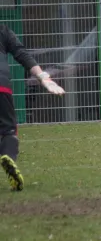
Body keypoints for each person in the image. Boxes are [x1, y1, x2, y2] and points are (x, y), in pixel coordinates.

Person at [0, 25, 65, 191]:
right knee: (8, 131)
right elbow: (22, 54)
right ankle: (8, 157)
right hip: (2, 86)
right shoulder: (3, 30)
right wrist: (44, 77)